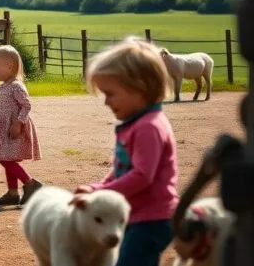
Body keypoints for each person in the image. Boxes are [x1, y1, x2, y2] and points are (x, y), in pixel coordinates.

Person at [73, 38, 178, 266]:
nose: (106, 103)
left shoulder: (148, 127)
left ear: (139, 88)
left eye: (110, 94)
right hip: (137, 216)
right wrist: (96, 188)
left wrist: (100, 192)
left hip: (152, 218)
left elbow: (142, 176)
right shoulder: (136, 125)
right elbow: (120, 172)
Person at [0, 45, 43, 206]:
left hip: (14, 128)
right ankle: (12, 193)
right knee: (7, 158)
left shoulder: (17, 86)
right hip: (5, 128)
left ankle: (30, 184)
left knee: (7, 159)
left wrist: (18, 123)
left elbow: (26, 105)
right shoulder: (5, 85)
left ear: (10, 66)